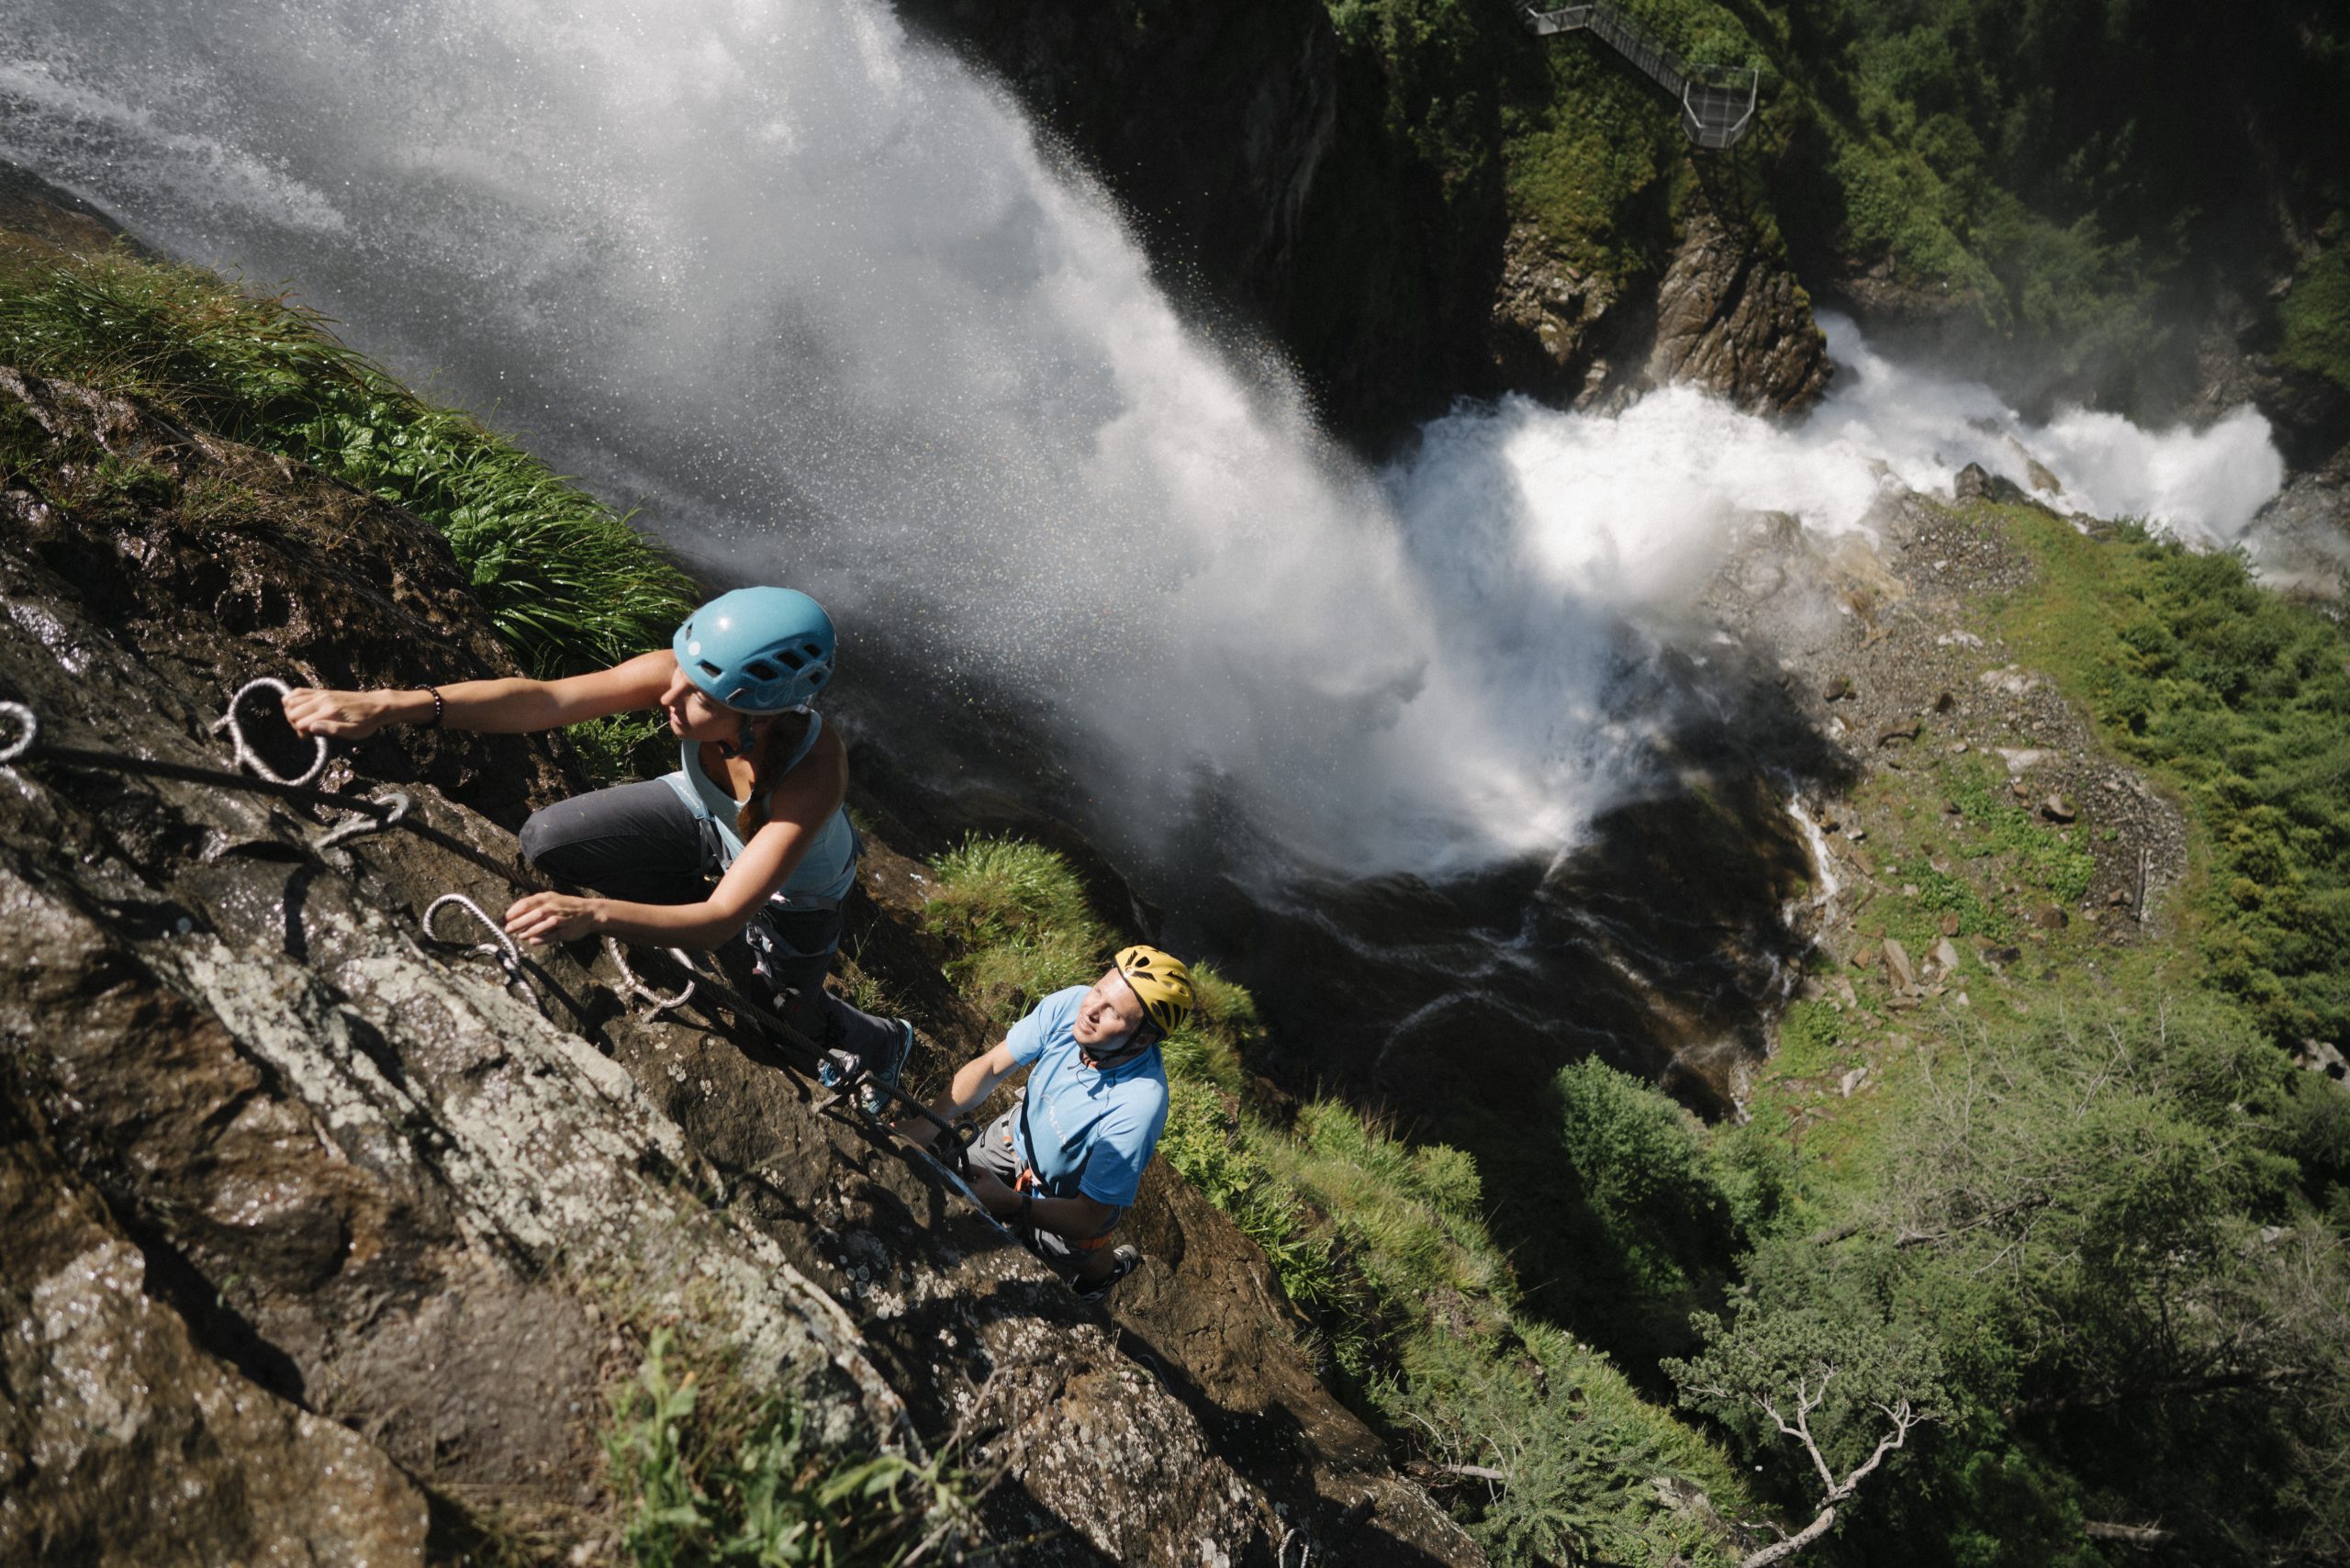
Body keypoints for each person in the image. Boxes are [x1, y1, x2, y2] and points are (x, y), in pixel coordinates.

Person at [282, 586, 913, 1109]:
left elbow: (722, 919)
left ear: (764, 715)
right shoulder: (691, 678)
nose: (670, 697)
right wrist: (390, 705)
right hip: (698, 818)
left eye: (700, 698)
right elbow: (545, 700)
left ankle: (878, 1040)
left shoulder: (813, 774)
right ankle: (680, 908)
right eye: (681, 677)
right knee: (550, 839)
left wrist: (594, 914)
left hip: (791, 900)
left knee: (778, 1026)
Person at [901, 945, 1193, 1297]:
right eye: (1099, 989)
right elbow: (992, 1066)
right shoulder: (1073, 1004)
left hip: (1066, 1202)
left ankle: (1105, 1273)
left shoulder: (1137, 1106)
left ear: (1142, 1038)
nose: (1091, 1010)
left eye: (1112, 1011)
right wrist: (930, 1121)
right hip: (1012, 1139)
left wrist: (1015, 1204)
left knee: (1071, 1253)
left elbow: (1089, 1215)